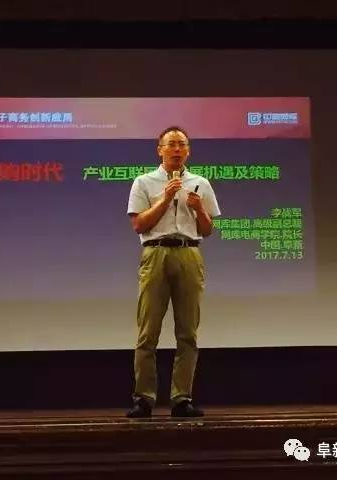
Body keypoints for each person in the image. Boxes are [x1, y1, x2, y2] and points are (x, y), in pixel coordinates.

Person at [126, 126, 221, 418]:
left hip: (189, 252)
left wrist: (199, 209)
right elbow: (139, 224)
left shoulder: (200, 183)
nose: (177, 149)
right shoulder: (144, 182)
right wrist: (165, 199)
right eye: (171, 144)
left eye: (182, 144)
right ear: (160, 150)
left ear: (188, 151)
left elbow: (207, 229)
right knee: (148, 332)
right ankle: (144, 399)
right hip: (155, 252)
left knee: (188, 332)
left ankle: (182, 398)